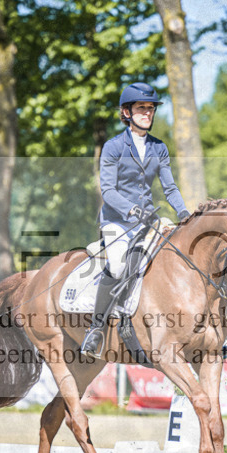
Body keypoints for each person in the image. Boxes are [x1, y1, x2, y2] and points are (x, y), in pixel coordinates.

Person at [81, 82, 191, 356]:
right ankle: (95, 328)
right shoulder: (113, 146)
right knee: (118, 267)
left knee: (176, 259)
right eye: (142, 108)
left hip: (148, 222)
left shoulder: (159, 148)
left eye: (151, 109)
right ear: (127, 112)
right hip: (117, 222)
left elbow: (169, 188)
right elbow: (107, 190)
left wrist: (184, 212)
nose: (147, 113)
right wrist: (132, 210)